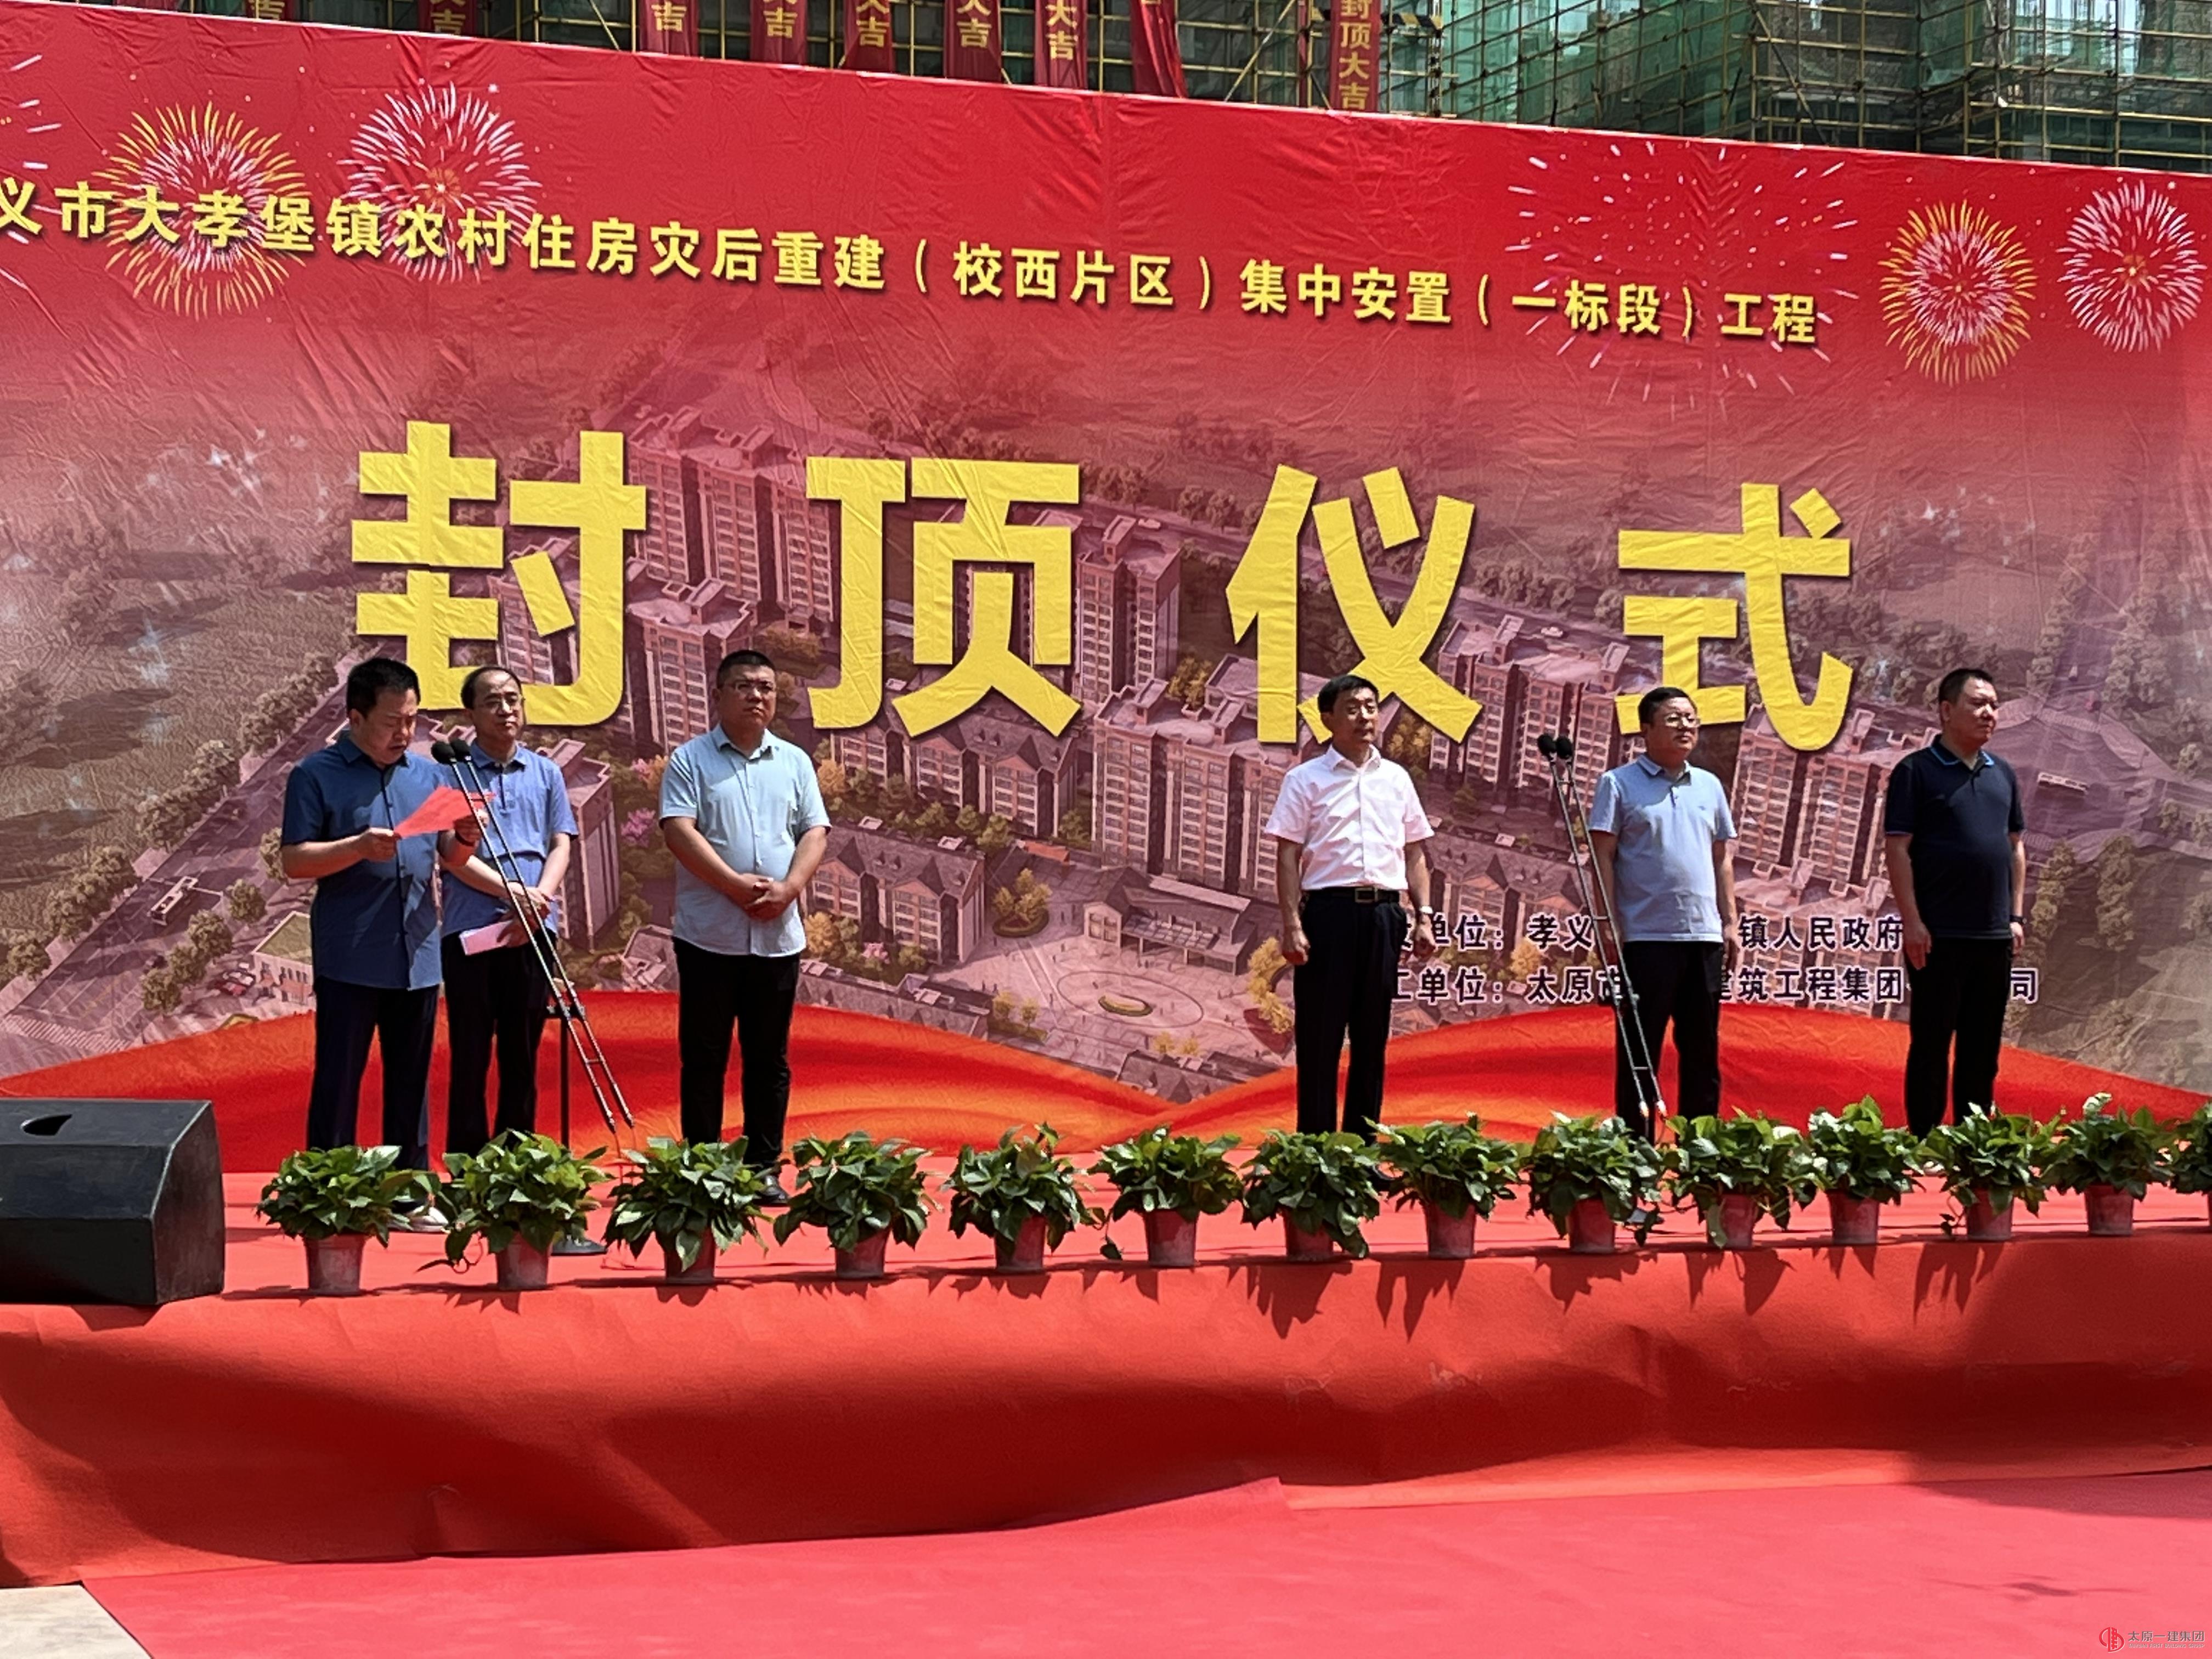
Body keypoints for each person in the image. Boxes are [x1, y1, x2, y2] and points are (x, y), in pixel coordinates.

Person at [279, 657, 479, 1183]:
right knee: (340, 1080)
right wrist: (357, 847)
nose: (405, 733)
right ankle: (327, 1193)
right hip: (351, 955)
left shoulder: (429, 774)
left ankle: (409, 1191)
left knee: (412, 1083)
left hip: (418, 951)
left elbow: (449, 857)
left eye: (412, 720)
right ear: (356, 717)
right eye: (393, 722)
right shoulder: (315, 775)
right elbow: (294, 861)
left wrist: (465, 838)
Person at [658, 650, 829, 1203]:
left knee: (768, 1059)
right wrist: (733, 885)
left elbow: (815, 832)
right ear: (718, 694)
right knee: (705, 1057)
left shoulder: (795, 762)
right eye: (743, 686)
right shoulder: (690, 760)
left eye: (765, 687)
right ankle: (703, 1170)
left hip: (777, 937)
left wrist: (791, 889)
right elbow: (679, 831)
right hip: (709, 937)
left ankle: (762, 1169)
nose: (756, 696)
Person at [1265, 673, 1437, 1139]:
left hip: (1384, 916)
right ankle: (1316, 1150)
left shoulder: (1396, 779)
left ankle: (1361, 1149)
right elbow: (1287, 855)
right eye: (1352, 708)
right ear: (1328, 719)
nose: (1365, 717)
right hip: (1329, 915)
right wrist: (1291, 924)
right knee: (1320, 1038)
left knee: (1371, 1037)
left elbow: (1415, 853)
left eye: (1371, 706)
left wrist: (1423, 916)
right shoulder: (1305, 780)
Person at [1588, 686, 1741, 1140]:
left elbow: (1722, 860)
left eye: (1691, 718)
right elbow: (1602, 857)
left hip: (1703, 937)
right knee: (1640, 1052)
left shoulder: (1709, 785)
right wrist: (1608, 924)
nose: (1685, 727)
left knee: (1702, 1050)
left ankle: (1700, 1148)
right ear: (1646, 729)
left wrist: (1730, 923)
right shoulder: (1618, 784)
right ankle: (1637, 1151)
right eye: (1673, 719)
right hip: (1646, 939)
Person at [435, 665, 576, 1156]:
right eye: (492, 701)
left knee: (522, 1055)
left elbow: (561, 843)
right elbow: (451, 855)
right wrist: (513, 893)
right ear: (471, 712)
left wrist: (538, 901)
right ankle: (466, 1166)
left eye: (513, 699)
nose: (506, 710)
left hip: (534, 927)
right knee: (471, 1053)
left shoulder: (545, 772)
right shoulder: (452, 772)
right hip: (471, 929)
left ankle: (516, 1166)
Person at [1882, 668, 2026, 1136]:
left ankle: (1973, 1141)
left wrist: (2015, 916)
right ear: (1946, 710)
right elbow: (1898, 849)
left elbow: (2015, 846)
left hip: (1993, 936)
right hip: (1937, 936)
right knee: (1931, 1044)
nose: (1989, 713)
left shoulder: (2003, 773)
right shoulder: (1916, 772)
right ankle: (1924, 1141)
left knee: (1982, 1049)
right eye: (1978, 703)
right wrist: (1912, 922)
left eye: (1994, 705)